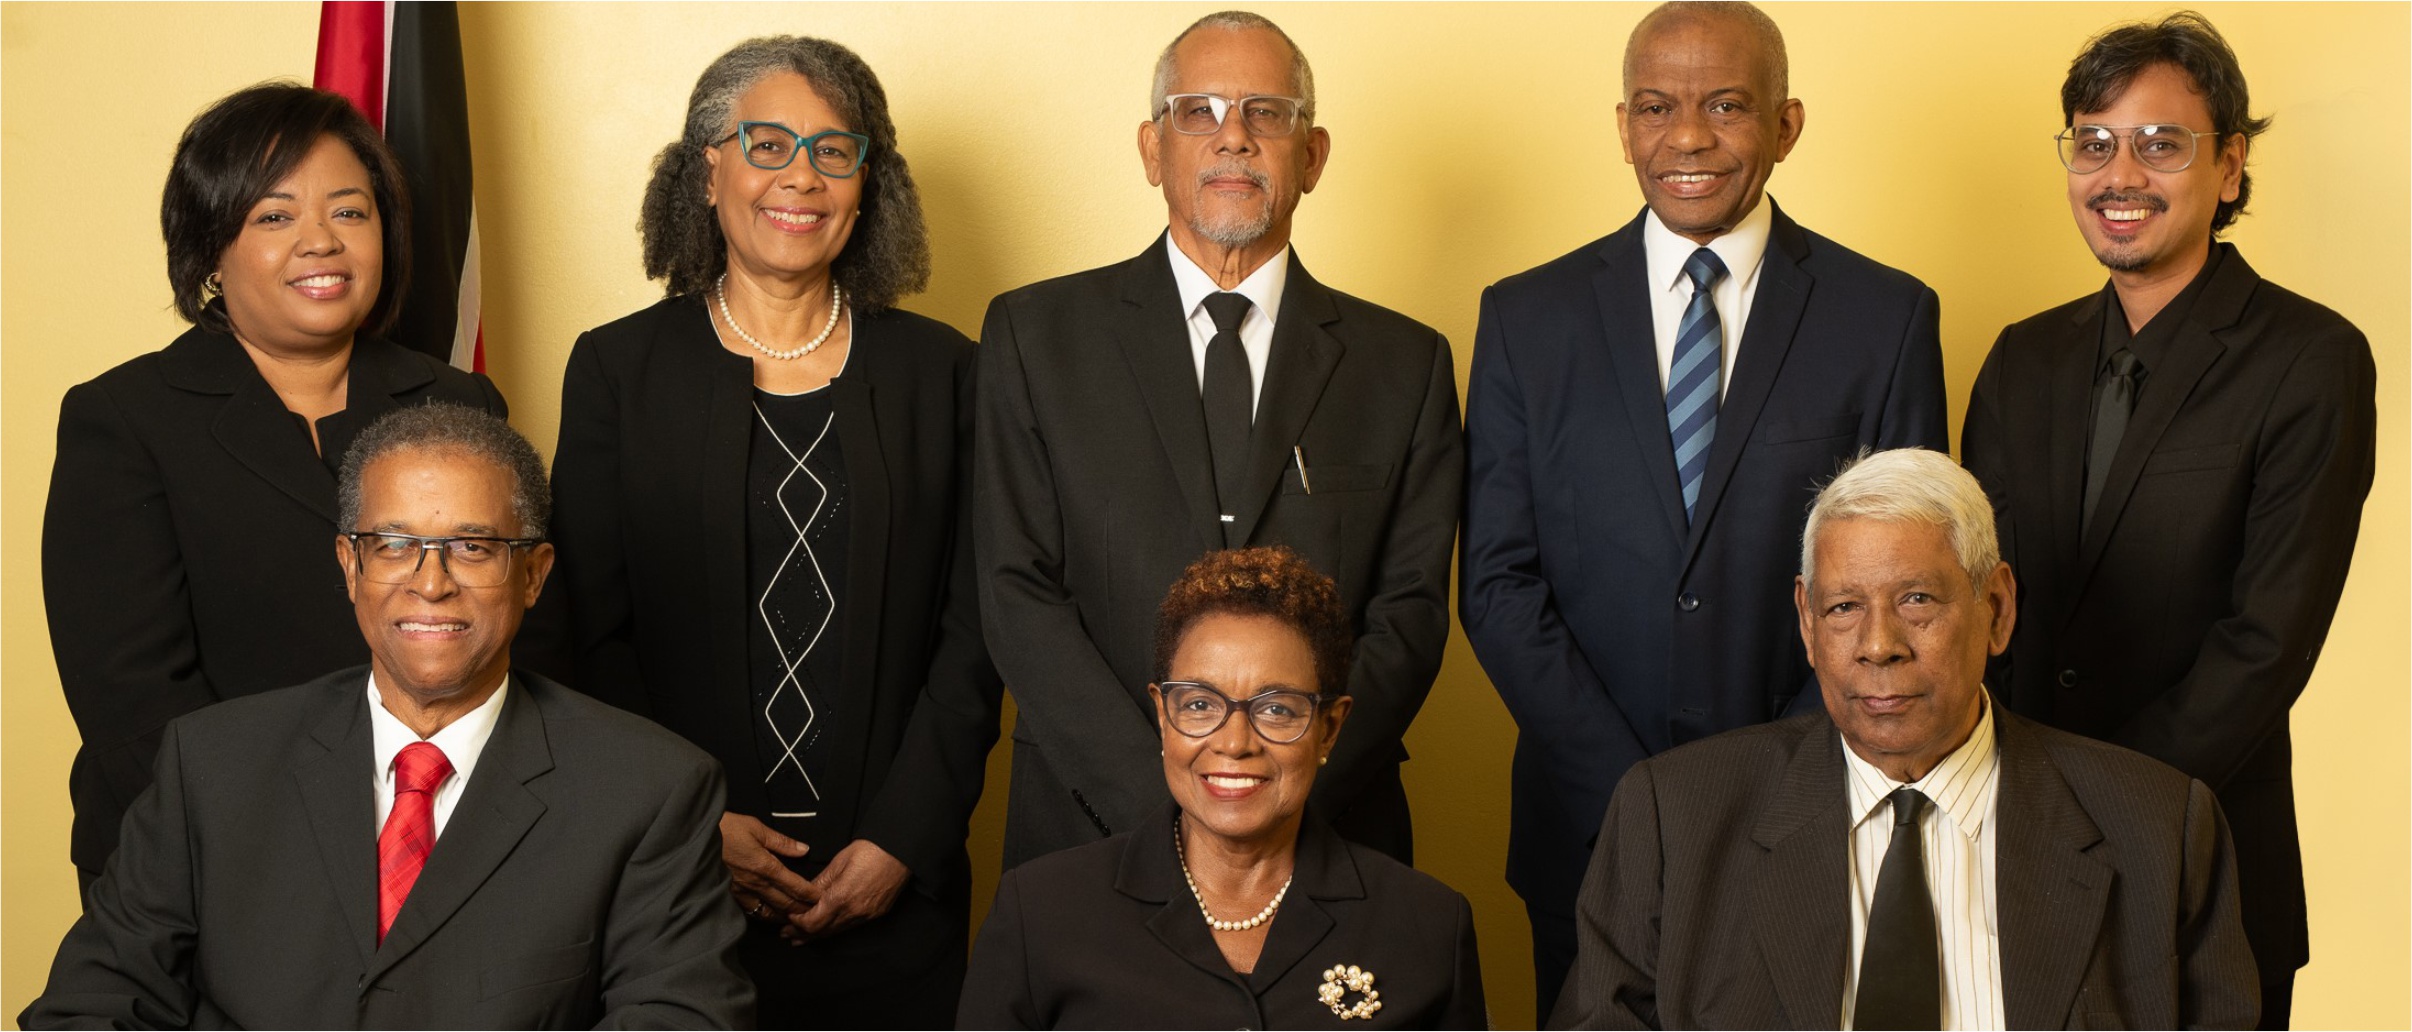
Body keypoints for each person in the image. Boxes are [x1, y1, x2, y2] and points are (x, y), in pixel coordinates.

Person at [1458, 1, 1948, 1012]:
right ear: (1624, 124)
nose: (1687, 137)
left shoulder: (1884, 317)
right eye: (1655, 106)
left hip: (1808, 815)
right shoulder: (1525, 319)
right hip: (1583, 826)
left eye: (1726, 105)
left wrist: (1768, 787)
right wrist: (1640, 800)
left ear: (1787, 125)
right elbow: (1500, 585)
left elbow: (1904, 592)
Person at [21, 404, 750, 1029]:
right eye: (394, 545)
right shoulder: (211, 765)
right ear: (349, 565)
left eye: (473, 547)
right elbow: (92, 1004)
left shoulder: (650, 789)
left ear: (533, 575)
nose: (431, 584)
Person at [544, 36, 1000, 1026]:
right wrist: (693, 822)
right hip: (676, 890)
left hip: (894, 895)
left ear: (868, 184)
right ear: (708, 170)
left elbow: (976, 635)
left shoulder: (945, 374)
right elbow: (589, 634)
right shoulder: (620, 372)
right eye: (768, 142)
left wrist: (902, 841)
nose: (803, 174)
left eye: (836, 151)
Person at [1959, 14, 2375, 1026]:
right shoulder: (2024, 358)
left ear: (2230, 165)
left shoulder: (2309, 360)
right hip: (2015, 858)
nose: (2119, 175)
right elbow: (1980, 604)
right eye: (2093, 143)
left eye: (2160, 143)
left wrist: (2092, 803)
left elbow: (2265, 641)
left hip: (2207, 856)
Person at [976, 10, 1461, 872]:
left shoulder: (1407, 364)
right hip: (1093, 835)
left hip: (1330, 838)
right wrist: (1164, 803)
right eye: (1197, 111)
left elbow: (1411, 614)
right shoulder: (1035, 338)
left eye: (1265, 113)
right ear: (1150, 149)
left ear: (1311, 156)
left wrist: (1283, 790)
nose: (1232, 138)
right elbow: (1018, 595)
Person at [1549, 448, 2257, 1030]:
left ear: (1998, 609)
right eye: (1844, 607)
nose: (1878, 645)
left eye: (1917, 600)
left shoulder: (2161, 830)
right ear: (1806, 622)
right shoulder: (1673, 819)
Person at [41, 82, 508, 894]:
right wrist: (289, 850)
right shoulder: (123, 419)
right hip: (205, 855)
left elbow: (519, 636)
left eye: (350, 212)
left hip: (436, 838)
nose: (320, 242)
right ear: (209, 250)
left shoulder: (459, 405)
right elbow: (130, 699)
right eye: (274, 216)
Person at [959, 547, 1485, 1028]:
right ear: (1163, 718)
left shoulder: (1429, 927)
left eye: (1276, 708)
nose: (1234, 743)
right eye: (1199, 705)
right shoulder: (1040, 912)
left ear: (1329, 728)